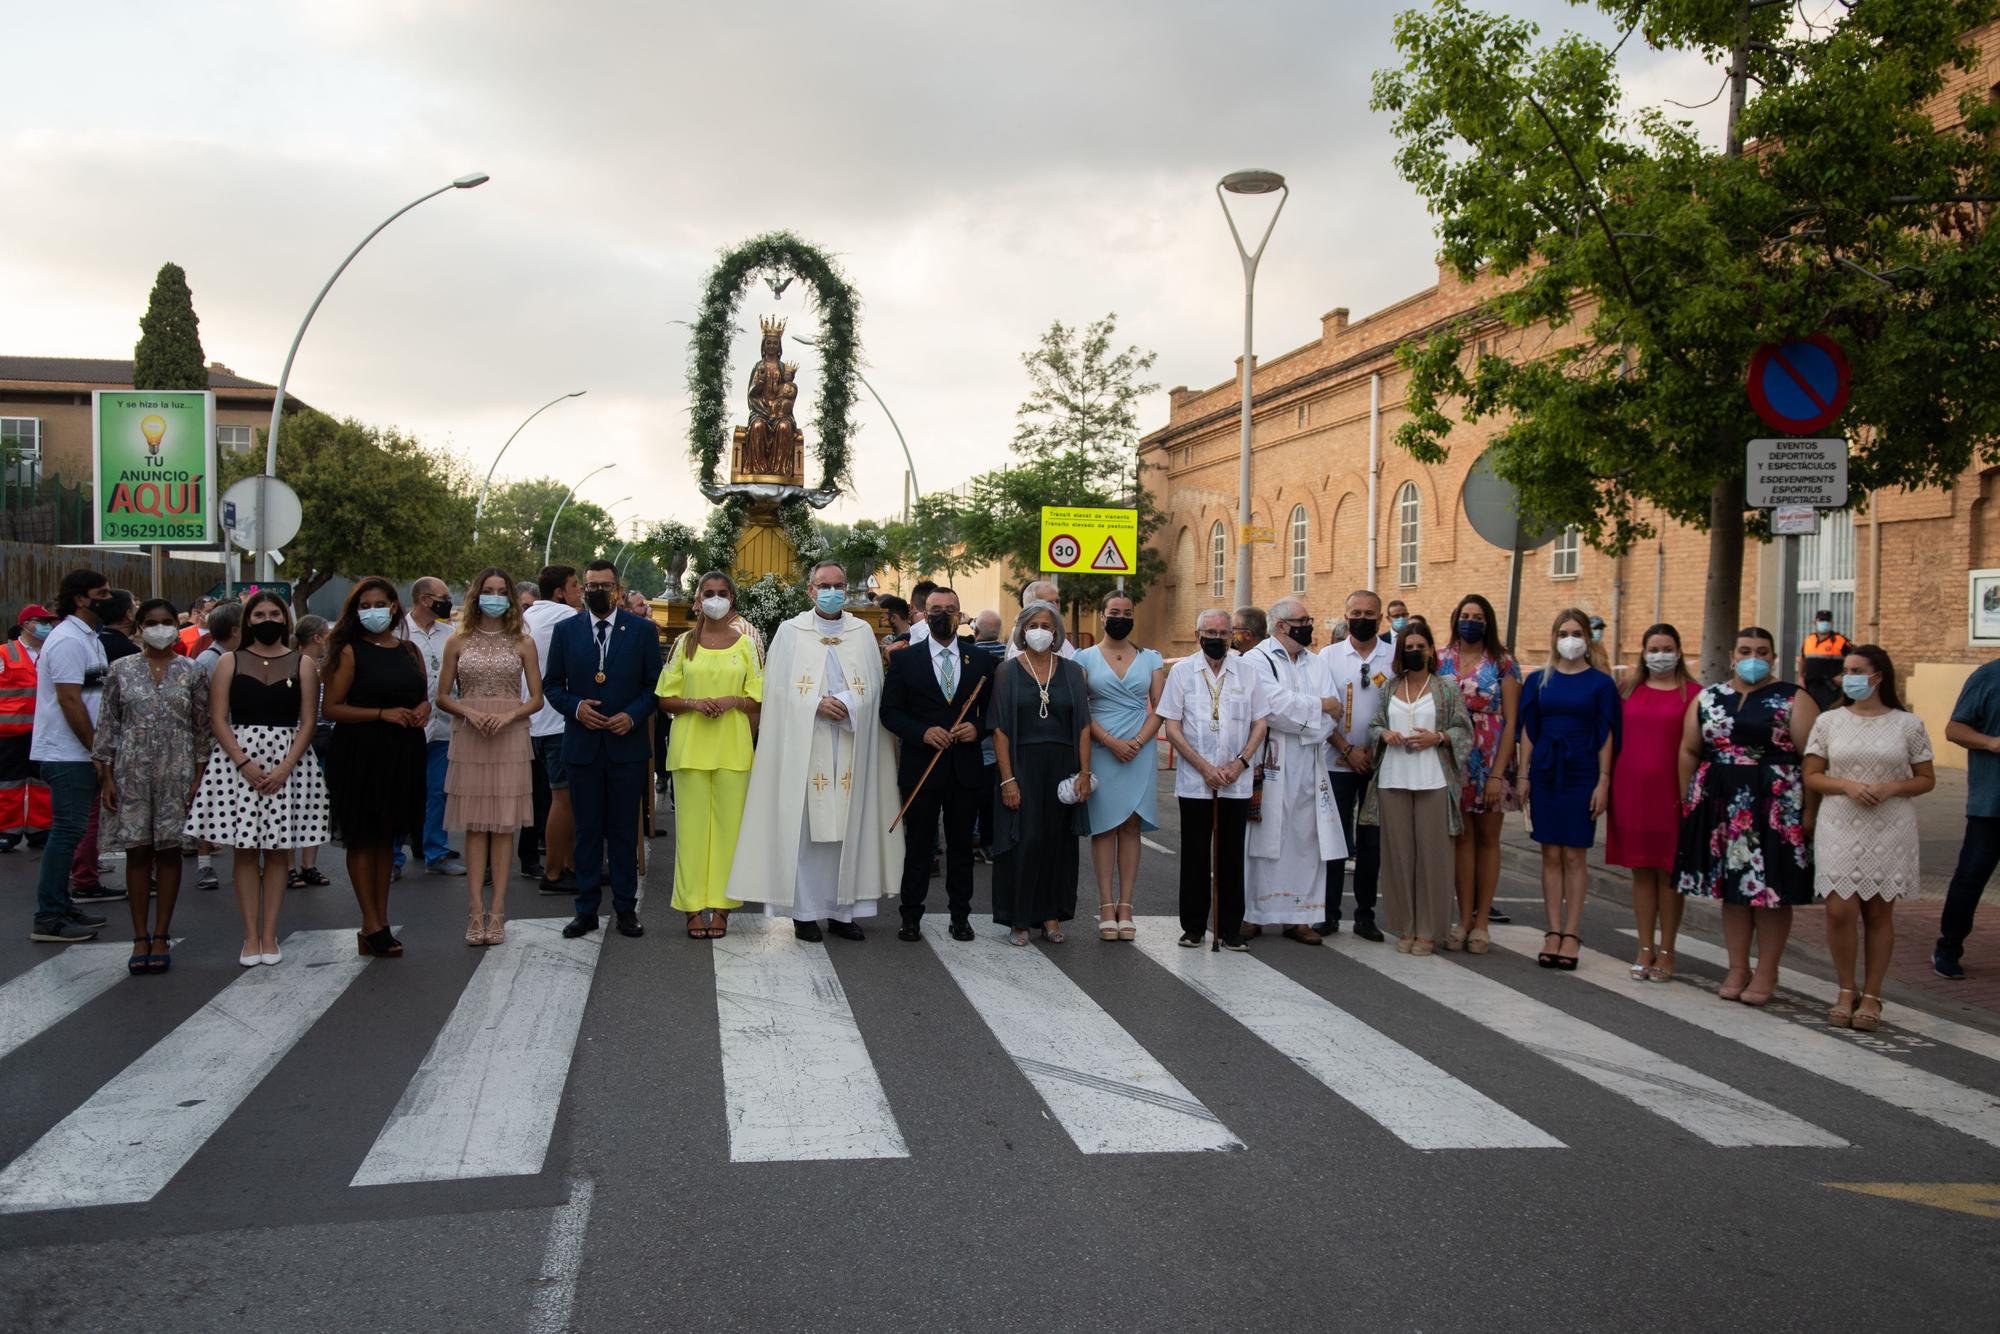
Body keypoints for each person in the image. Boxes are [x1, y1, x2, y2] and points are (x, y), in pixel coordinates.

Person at [725, 561, 901, 941]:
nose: (832, 591)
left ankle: (842, 913)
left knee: (848, 830)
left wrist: (851, 704)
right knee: (804, 831)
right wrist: (814, 705)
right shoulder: (791, 632)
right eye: (825, 585)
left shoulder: (862, 633)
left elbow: (875, 689)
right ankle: (803, 913)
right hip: (805, 748)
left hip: (851, 744)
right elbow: (775, 691)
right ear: (810, 591)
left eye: (838, 584)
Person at [185, 591, 330, 966]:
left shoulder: (303, 664)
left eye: (275, 614)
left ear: (286, 619)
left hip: (290, 762)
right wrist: (243, 761)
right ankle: (250, 936)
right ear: (248, 620)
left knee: (279, 851)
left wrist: (284, 768)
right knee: (246, 851)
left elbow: (309, 721)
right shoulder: (229, 662)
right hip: (238, 763)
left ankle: (270, 934)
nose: (268, 619)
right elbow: (218, 718)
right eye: (259, 614)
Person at [1676, 627, 1819, 1004]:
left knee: (1771, 891)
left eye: (1762, 651)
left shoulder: (1793, 697)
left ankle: (1768, 970)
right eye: (1744, 650)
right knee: (1733, 891)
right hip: (1721, 802)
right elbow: (1690, 749)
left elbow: (1813, 756)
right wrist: (1689, 800)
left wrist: (1809, 811)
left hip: (1775, 804)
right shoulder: (1710, 697)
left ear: (1773, 657)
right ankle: (1737, 966)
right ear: (1732, 656)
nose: (1752, 657)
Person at [1803, 646, 1934, 1031]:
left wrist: (1893, 787)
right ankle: (1846, 988)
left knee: (1879, 912)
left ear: (1879, 676)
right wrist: (1845, 785)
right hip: (1840, 820)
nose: (1849, 677)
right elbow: (1812, 774)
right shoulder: (1829, 721)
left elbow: (1926, 779)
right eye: (1846, 670)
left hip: (1890, 823)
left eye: (1857, 669)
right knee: (1839, 909)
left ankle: (1872, 995)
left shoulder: (1908, 724)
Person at [546, 561, 660, 940]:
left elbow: (654, 686)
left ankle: (626, 908)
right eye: (590, 585)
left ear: (618, 589)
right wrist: (577, 708)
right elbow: (552, 685)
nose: (597, 591)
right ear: (582, 589)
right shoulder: (566, 631)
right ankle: (586, 909)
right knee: (588, 832)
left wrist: (632, 715)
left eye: (605, 585)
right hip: (582, 746)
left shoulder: (642, 631)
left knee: (625, 832)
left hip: (625, 747)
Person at [92, 598, 206, 974]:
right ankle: (139, 935)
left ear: (177, 625)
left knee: (170, 852)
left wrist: (199, 779)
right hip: (131, 772)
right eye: (152, 622)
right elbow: (107, 725)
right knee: (138, 852)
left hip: (178, 771)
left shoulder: (192, 671)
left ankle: (162, 932)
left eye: (167, 621)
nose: (160, 628)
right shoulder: (120, 670)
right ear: (138, 627)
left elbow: (202, 729)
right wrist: (106, 776)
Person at [436, 568, 543, 947]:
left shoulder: (523, 642)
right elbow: (443, 694)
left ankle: (498, 911)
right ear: (476, 595)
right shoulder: (457, 640)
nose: (493, 597)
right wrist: (469, 711)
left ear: (511, 598)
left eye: (501, 591)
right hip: (470, 733)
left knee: (503, 828)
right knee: (475, 827)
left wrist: (508, 715)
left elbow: (536, 697)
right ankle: (474, 910)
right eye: (487, 590)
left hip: (510, 733)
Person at [323, 578, 430, 957]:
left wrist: (422, 710)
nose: (373, 610)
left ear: (394, 607)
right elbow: (331, 708)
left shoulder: (409, 651)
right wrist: (382, 714)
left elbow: (422, 697)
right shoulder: (349, 652)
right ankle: (370, 922)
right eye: (364, 605)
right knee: (363, 837)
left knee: (388, 838)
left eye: (380, 603)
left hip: (404, 752)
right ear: (355, 611)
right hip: (360, 752)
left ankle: (381, 919)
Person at [882, 585, 993, 943]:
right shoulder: (904, 659)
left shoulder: (980, 660)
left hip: (965, 768)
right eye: (935, 609)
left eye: (950, 609)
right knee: (918, 845)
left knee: (961, 847)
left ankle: (961, 916)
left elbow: (991, 713)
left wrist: (976, 729)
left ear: (961, 615)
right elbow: (890, 712)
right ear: (923, 615)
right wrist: (922, 732)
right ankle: (910, 916)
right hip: (921, 766)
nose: (943, 614)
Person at [655, 571, 761, 939]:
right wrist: (692, 703)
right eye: (709, 593)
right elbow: (664, 696)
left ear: (732, 599)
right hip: (690, 747)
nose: (716, 599)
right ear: (698, 600)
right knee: (693, 833)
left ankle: (722, 907)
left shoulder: (746, 644)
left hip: (733, 747)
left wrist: (733, 700)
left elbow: (758, 696)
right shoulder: (684, 644)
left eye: (723, 593)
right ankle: (692, 907)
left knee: (729, 833)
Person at [1158, 607, 1270, 950]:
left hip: (1235, 780)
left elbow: (1260, 723)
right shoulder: (1182, 673)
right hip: (1195, 781)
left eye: (1223, 634)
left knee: (1231, 855)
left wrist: (1240, 763)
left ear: (1231, 636)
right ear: (1197, 635)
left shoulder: (1248, 672)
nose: (1217, 639)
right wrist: (1203, 767)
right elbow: (1172, 726)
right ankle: (1193, 926)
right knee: (1194, 854)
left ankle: (1229, 928)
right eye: (1210, 633)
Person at [1518, 608, 1622, 971]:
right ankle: (1552, 930)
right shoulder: (1539, 681)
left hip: (1582, 772)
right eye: (1563, 632)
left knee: (1575, 854)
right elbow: (1529, 729)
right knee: (1550, 853)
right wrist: (1524, 775)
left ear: (1588, 639)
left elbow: (1607, 733)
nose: (1570, 639)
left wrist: (1604, 781)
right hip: (1546, 770)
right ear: (1554, 637)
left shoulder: (1601, 683)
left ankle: (1572, 933)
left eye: (1577, 632)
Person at [1360, 618, 1472, 955]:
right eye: (1408, 648)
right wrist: (1383, 734)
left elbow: (1463, 731)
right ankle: (1406, 926)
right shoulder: (1390, 687)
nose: (1413, 652)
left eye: (1419, 647)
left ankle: (1429, 929)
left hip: (1432, 780)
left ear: (1430, 650)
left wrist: (1437, 737)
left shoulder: (1445, 688)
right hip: (1394, 778)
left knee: (1433, 857)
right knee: (1398, 857)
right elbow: (1375, 724)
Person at [989, 600, 1092, 945]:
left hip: (1062, 768)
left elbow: (1082, 727)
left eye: (1047, 626)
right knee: (1026, 839)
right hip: (1022, 767)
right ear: (1022, 630)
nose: (1040, 632)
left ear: (1057, 632)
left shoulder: (1073, 672)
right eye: (1034, 625)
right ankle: (1019, 918)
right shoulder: (1007, 672)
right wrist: (1007, 779)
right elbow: (999, 729)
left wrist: (1084, 773)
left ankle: (1050, 915)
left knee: (1057, 842)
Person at [1244, 598, 1345, 945]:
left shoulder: (1315, 664)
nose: (1309, 625)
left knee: (1306, 837)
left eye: (1309, 618)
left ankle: (1300, 916)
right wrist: (1315, 709)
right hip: (1268, 759)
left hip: (1307, 763)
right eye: (1302, 620)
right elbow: (1269, 706)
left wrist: (1309, 718)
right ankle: (1253, 914)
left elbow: (1334, 714)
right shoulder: (1256, 659)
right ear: (1281, 626)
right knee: (1262, 838)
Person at [1607, 624, 1701, 982]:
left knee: (1669, 873)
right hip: (1631, 792)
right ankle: (1644, 946)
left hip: (1672, 794)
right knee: (1641, 872)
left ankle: (1668, 949)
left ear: (1678, 651)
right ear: (1643, 653)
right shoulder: (1628, 690)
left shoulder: (1693, 694)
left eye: (1667, 648)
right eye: (1654, 648)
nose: (1660, 655)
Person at [28, 571, 117, 943]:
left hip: (78, 751)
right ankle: (49, 916)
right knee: (66, 832)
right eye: (102, 593)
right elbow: (69, 699)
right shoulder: (67, 641)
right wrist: (96, 750)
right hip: (68, 753)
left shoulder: (89, 638)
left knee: (72, 830)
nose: (109, 598)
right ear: (81, 599)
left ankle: (61, 905)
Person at [1075, 591, 1164, 941]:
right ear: (1102, 616)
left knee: (1130, 825)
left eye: (1127, 612)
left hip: (1140, 749)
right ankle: (1105, 905)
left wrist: (1139, 742)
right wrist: (1110, 742)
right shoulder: (1083, 658)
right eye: (1114, 611)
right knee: (1104, 827)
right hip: (1101, 747)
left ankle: (1126, 905)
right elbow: (1082, 709)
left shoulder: (1152, 658)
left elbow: (1160, 707)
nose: (1121, 617)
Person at [1438, 594, 1521, 954]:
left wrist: (1497, 775)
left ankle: (1483, 921)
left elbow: (1512, 720)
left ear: (1488, 622)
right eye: (1466, 615)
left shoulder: (1503, 662)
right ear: (1456, 618)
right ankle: (1463, 918)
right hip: (1451, 758)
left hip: (1489, 759)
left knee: (1487, 838)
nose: (1471, 621)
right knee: (1461, 838)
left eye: (1478, 616)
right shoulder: (1441, 659)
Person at [1314, 589, 1394, 941]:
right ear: (1345, 616)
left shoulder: (1394, 657)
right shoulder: (1328, 656)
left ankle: (1365, 915)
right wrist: (1346, 749)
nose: (1362, 618)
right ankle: (1328, 912)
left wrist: (1375, 751)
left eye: (1370, 613)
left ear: (1380, 618)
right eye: (1355, 612)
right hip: (1337, 760)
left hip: (1380, 765)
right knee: (1334, 839)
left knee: (1371, 842)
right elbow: (1321, 708)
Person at [1936, 655, 2000, 979]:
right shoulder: (1989, 676)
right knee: (1971, 876)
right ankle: (1948, 947)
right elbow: (1954, 728)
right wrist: (1991, 742)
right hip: (1991, 804)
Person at [399, 575, 464, 878]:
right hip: (407, 726)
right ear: (425, 599)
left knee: (439, 791)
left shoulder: (450, 633)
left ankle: (435, 852)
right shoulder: (399, 632)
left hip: (443, 726)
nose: (447, 601)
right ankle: (392, 857)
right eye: (443, 596)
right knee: (402, 791)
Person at [525, 565, 582, 896]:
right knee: (563, 800)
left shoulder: (528, 617)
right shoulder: (567, 618)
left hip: (532, 722)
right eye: (575, 586)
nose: (579, 593)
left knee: (557, 799)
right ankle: (554, 871)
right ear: (560, 591)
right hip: (558, 720)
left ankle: (570, 863)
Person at [187, 599, 241, 894]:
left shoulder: (232, 657)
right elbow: (202, 712)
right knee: (209, 805)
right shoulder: (211, 662)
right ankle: (204, 862)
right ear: (235, 630)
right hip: (213, 744)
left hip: (230, 741)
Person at [0, 606, 54, 854]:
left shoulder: (52, 651)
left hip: (43, 729)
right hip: (10, 731)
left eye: (47, 621)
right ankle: (6, 831)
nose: (45, 625)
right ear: (24, 624)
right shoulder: (4, 653)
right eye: (39, 621)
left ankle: (40, 829)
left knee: (41, 780)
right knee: (9, 782)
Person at [289, 615, 334, 890]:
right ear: (317, 638)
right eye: (326, 634)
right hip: (298, 737)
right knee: (292, 803)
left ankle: (309, 865)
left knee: (317, 803)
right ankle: (288, 867)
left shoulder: (327, 667)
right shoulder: (292, 665)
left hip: (325, 735)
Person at [968, 610, 1008, 857]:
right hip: (997, 737)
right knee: (991, 791)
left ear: (976, 631)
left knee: (972, 791)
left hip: (975, 734)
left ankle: (973, 835)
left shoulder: (969, 656)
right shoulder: (1011, 655)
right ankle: (988, 841)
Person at [1005, 581, 1078, 660]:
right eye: (1049, 602)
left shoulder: (1056, 634)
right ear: (1032, 606)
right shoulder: (1024, 640)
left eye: (1057, 601)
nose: (1056, 607)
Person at [1799, 609, 1853, 712]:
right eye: (1821, 620)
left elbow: (1855, 659)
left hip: (1830, 687)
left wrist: (1843, 675)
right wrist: (1800, 677)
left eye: (1827, 621)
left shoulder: (1841, 641)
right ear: (1815, 622)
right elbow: (1803, 659)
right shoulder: (1809, 640)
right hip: (1810, 686)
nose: (1824, 623)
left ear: (1832, 623)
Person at [97, 589, 139, 662]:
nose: (139, 610)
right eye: (135, 606)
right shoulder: (129, 651)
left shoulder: (94, 641)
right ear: (129, 614)